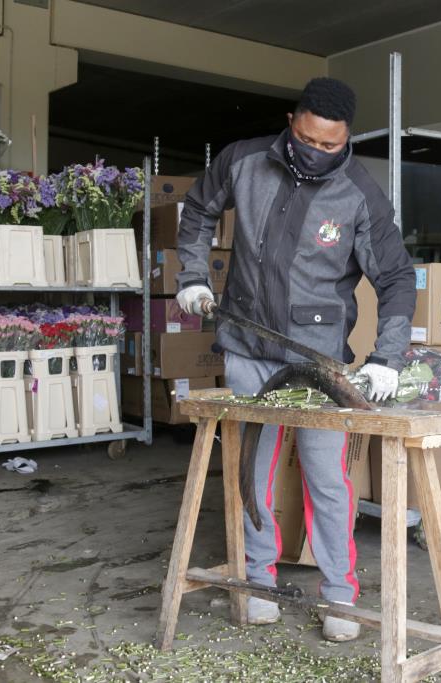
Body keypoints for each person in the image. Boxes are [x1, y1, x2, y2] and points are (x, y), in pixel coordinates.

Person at [174, 77, 415, 642]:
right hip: (246, 347)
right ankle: (257, 583)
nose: (317, 152)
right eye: (308, 139)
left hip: (320, 361)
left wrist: (388, 357)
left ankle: (339, 598)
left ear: (347, 137)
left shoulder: (359, 193)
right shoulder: (244, 160)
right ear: (292, 122)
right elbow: (196, 210)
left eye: (331, 145)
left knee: (326, 480)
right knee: (249, 473)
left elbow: (397, 278)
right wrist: (189, 276)